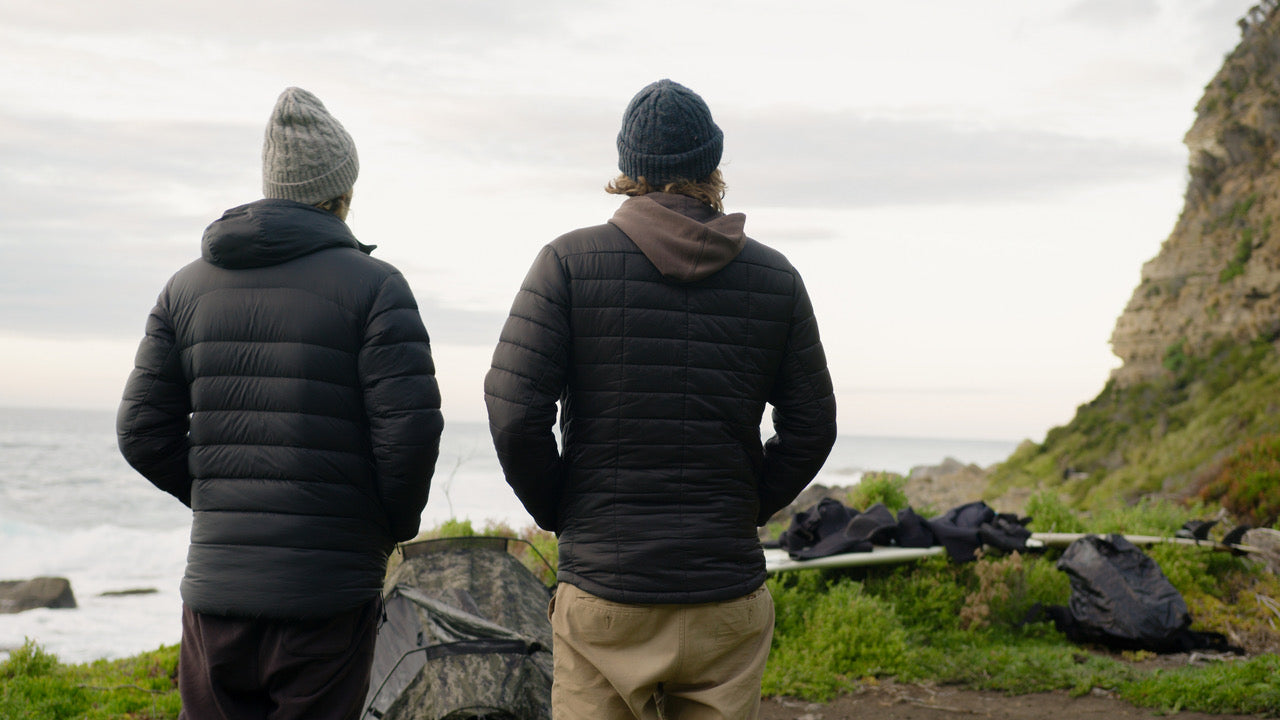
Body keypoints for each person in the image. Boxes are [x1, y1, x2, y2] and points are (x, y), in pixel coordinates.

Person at [484, 79, 837, 720]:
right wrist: (744, 506)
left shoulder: (566, 263)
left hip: (604, 596)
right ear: (712, 166)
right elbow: (812, 428)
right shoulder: (777, 279)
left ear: (628, 170)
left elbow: (514, 414)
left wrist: (567, 512)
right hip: (725, 595)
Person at [117, 87, 443, 720]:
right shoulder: (377, 288)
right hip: (327, 598)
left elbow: (139, 432)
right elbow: (408, 439)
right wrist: (379, 530)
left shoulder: (184, 287)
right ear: (342, 190)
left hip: (215, 593)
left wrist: (224, 497)